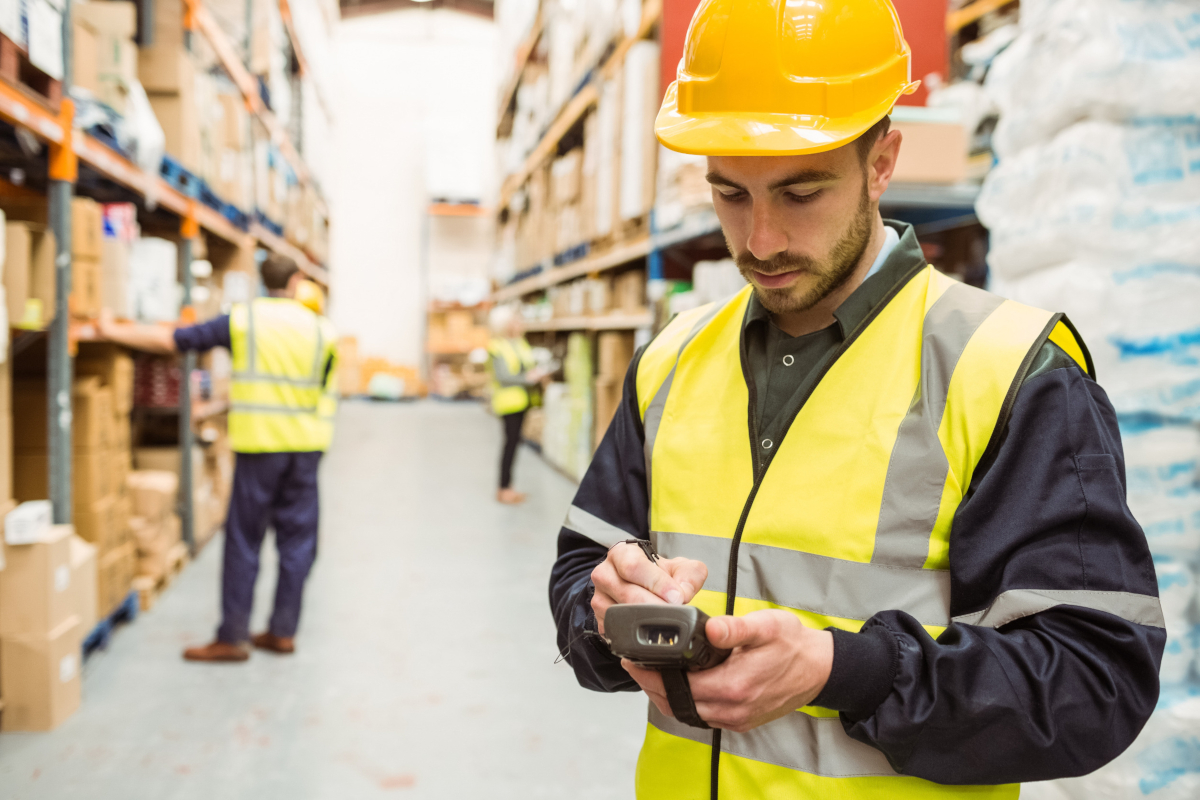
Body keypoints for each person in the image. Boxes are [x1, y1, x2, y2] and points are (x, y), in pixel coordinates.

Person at [549, 2, 1164, 798]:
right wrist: (607, 613)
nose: (760, 239)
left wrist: (847, 671)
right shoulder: (672, 360)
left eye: (801, 192)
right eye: (730, 194)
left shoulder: (1007, 370)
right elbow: (580, 563)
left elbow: (1094, 682)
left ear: (882, 161)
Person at [99, 254, 338, 663]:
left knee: (244, 540)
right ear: (298, 281)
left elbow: (174, 341)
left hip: (260, 448)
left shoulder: (243, 321)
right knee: (298, 542)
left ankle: (233, 636)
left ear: (263, 281)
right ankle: (283, 631)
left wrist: (108, 327)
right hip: (306, 449)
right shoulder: (322, 330)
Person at [486, 306, 545, 504]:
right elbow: (503, 377)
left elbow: (527, 366)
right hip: (508, 403)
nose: (520, 324)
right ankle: (503, 489)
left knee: (514, 444)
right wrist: (529, 378)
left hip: (523, 402)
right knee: (510, 444)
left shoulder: (519, 344)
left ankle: (509, 487)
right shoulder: (497, 347)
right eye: (515, 320)